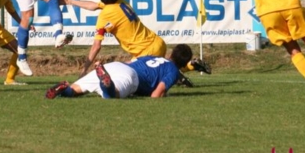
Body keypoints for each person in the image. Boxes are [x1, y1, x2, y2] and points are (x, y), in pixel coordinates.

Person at [59, 0, 208, 77]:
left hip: (146, 52)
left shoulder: (105, 15)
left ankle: (176, 77)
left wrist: (84, 69)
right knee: (154, 68)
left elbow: (96, 46)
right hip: (157, 43)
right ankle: (190, 66)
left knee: (122, 74)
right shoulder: (120, 1)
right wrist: (69, 1)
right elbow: (93, 6)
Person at [45, 44, 194, 99]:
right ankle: (106, 83)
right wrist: (164, 95)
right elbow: (156, 94)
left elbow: (131, 62)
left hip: (115, 66)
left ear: (171, 53)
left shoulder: (154, 57)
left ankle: (63, 89)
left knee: (75, 90)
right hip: (131, 76)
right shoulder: (173, 71)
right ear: (184, 63)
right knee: (112, 95)